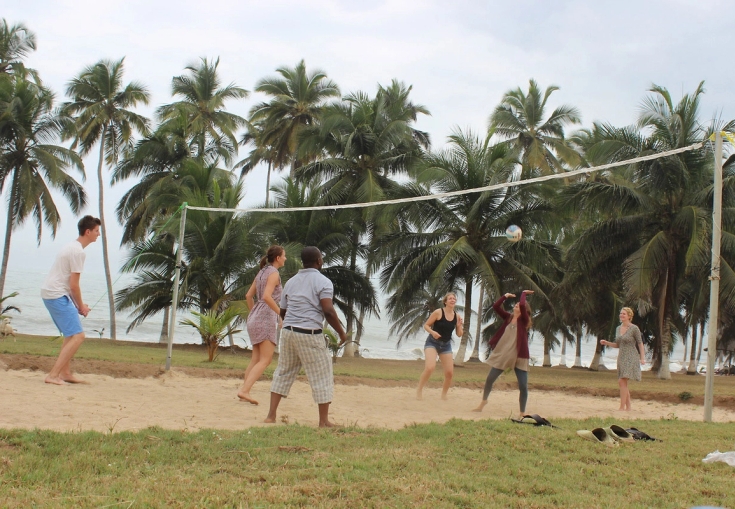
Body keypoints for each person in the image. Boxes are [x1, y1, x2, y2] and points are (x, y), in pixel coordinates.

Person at [264, 246, 347, 427]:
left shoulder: (291, 282)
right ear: (319, 261)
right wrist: (341, 332)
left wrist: (292, 323)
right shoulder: (324, 282)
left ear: (303, 261)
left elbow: (284, 310)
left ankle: (271, 415)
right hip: (309, 333)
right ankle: (324, 421)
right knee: (322, 374)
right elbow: (328, 310)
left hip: (287, 332)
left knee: (283, 371)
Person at [41, 215, 101, 385]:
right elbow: (74, 285)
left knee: (70, 335)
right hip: (56, 294)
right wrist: (81, 306)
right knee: (78, 336)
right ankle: (53, 375)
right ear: (87, 231)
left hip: (54, 293)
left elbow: (69, 285)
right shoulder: (78, 252)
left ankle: (65, 373)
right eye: (96, 231)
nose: (98, 234)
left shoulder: (72, 247)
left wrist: (78, 306)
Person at [237, 245, 287, 405]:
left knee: (256, 358)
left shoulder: (261, 272)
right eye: (284, 256)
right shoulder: (274, 273)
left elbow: (249, 295)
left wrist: (253, 313)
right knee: (265, 360)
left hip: (255, 316)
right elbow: (266, 296)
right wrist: (280, 313)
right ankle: (244, 390)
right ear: (278, 258)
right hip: (265, 317)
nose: (285, 258)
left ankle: (245, 390)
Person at [473, 290, 533, 417]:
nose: (517, 305)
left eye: (519, 304)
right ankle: (483, 402)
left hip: (520, 356)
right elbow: (495, 306)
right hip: (504, 355)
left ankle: (522, 412)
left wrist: (523, 294)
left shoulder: (524, 321)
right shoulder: (508, 318)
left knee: (523, 385)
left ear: (524, 310)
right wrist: (505, 296)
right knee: (490, 379)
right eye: (516, 304)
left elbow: (522, 305)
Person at [416, 293, 464, 400]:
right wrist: (433, 332)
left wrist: (459, 326)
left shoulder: (457, 316)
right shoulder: (438, 312)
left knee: (449, 373)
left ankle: (444, 395)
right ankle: (419, 390)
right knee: (430, 367)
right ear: (445, 302)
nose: (452, 300)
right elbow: (426, 325)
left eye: (454, 299)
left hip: (446, 345)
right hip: (432, 342)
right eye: (450, 298)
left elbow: (459, 334)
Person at [600, 307, 645, 411]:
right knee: (623, 382)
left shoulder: (634, 328)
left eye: (624, 314)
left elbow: (640, 343)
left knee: (622, 381)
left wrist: (642, 358)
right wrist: (606, 343)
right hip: (621, 356)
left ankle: (621, 407)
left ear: (629, 316)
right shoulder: (618, 328)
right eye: (621, 313)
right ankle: (628, 407)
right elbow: (618, 345)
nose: (621, 315)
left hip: (631, 356)